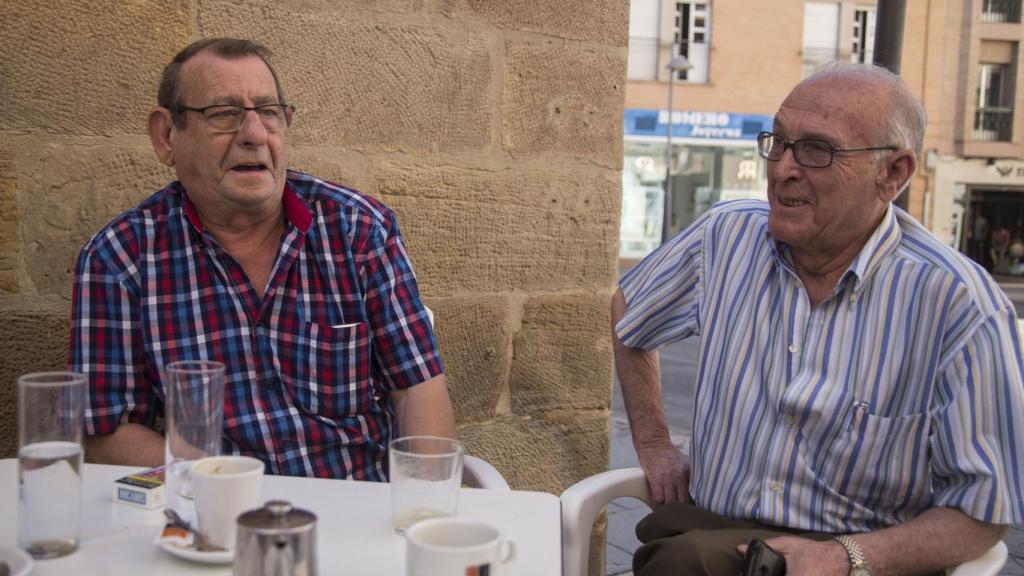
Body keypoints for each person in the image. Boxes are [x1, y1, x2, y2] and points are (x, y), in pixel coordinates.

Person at [613, 62, 1024, 576]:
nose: (783, 168)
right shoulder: (724, 238)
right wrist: (653, 442)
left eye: (816, 150)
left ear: (893, 173)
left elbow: (984, 511)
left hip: (862, 554)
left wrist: (845, 558)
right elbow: (631, 308)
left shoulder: (960, 305)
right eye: (778, 142)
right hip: (710, 531)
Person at [70, 38, 455, 481]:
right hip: (217, 520)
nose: (254, 134)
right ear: (167, 135)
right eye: (224, 114)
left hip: (359, 511)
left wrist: (423, 512)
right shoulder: (120, 259)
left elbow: (417, 386)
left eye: (269, 112)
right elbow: (108, 427)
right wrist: (217, 491)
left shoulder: (358, 230)